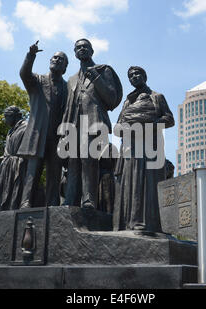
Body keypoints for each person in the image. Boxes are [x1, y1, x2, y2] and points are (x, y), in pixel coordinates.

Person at [61, 39, 122, 209]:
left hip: (94, 121)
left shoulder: (103, 70)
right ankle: (71, 200)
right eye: (78, 47)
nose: (82, 49)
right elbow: (68, 106)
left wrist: (96, 77)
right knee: (73, 162)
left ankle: (89, 200)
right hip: (74, 125)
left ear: (92, 51)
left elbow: (111, 98)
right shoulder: (72, 79)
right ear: (75, 53)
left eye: (85, 47)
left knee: (89, 159)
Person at [113, 66, 174, 233]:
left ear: (145, 76)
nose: (134, 77)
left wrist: (147, 125)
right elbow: (117, 127)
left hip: (150, 148)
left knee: (147, 184)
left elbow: (169, 119)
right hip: (130, 149)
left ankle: (149, 224)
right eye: (131, 76)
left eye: (137, 74)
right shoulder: (128, 102)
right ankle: (128, 223)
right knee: (131, 184)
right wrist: (130, 127)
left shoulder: (156, 97)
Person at [18, 41, 68, 208]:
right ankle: (26, 202)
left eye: (61, 60)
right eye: (54, 58)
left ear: (65, 68)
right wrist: (30, 55)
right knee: (33, 173)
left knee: (54, 174)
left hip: (57, 138)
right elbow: (24, 74)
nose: (57, 60)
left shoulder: (68, 88)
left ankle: (52, 204)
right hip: (38, 135)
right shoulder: (37, 81)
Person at [0, 106, 28, 233]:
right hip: (6, 169)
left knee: (11, 201)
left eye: (6, 117)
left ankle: (8, 229)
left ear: (14, 116)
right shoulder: (11, 131)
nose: (5, 120)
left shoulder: (26, 127)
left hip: (17, 169)